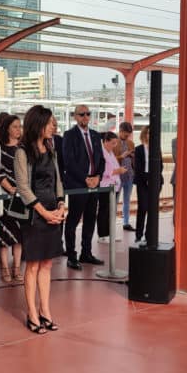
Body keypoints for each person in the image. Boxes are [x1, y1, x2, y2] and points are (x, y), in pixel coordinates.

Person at [15, 105, 65, 334]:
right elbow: (23, 188)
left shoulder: (51, 148)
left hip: (54, 212)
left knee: (47, 264)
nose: (53, 127)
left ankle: (46, 311)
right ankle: (32, 314)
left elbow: (58, 182)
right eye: (50, 123)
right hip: (34, 215)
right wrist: (45, 213)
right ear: (38, 124)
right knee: (33, 265)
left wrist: (62, 205)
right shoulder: (22, 151)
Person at [62, 104, 105, 270]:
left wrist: (98, 177)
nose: (85, 117)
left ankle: (86, 253)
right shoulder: (69, 135)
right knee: (73, 220)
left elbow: (101, 160)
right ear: (75, 116)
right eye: (82, 114)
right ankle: (71, 256)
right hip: (77, 185)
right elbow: (69, 161)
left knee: (90, 219)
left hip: (94, 184)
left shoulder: (95, 135)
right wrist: (85, 178)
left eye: (88, 114)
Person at [0, 114, 24, 282]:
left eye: (20, 126)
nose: (19, 130)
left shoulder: (24, 147)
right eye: (15, 127)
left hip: (22, 196)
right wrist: (10, 188)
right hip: (4, 196)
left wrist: (22, 188)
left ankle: (16, 267)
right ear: (7, 129)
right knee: (3, 234)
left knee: (20, 234)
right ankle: (4, 267)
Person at [134, 126, 163, 243]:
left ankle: (148, 235)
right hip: (142, 181)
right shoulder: (139, 149)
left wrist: (154, 178)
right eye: (148, 133)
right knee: (143, 208)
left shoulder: (157, 148)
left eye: (152, 133)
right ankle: (138, 235)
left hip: (155, 181)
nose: (150, 135)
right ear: (144, 135)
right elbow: (138, 167)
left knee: (152, 209)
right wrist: (146, 178)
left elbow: (160, 166)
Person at [97, 131, 126, 243]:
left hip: (114, 186)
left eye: (116, 143)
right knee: (104, 210)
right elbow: (103, 171)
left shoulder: (110, 153)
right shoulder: (101, 153)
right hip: (105, 186)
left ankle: (109, 234)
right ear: (105, 141)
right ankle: (102, 235)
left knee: (111, 211)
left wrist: (118, 171)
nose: (114, 146)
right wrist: (117, 171)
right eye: (113, 143)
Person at [114, 122, 135, 231]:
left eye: (128, 135)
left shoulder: (131, 143)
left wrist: (132, 156)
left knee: (127, 200)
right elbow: (110, 160)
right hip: (117, 176)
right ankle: (111, 225)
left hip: (129, 175)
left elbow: (134, 159)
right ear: (120, 131)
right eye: (125, 135)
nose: (127, 137)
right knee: (114, 201)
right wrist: (122, 156)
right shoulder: (113, 142)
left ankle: (126, 223)